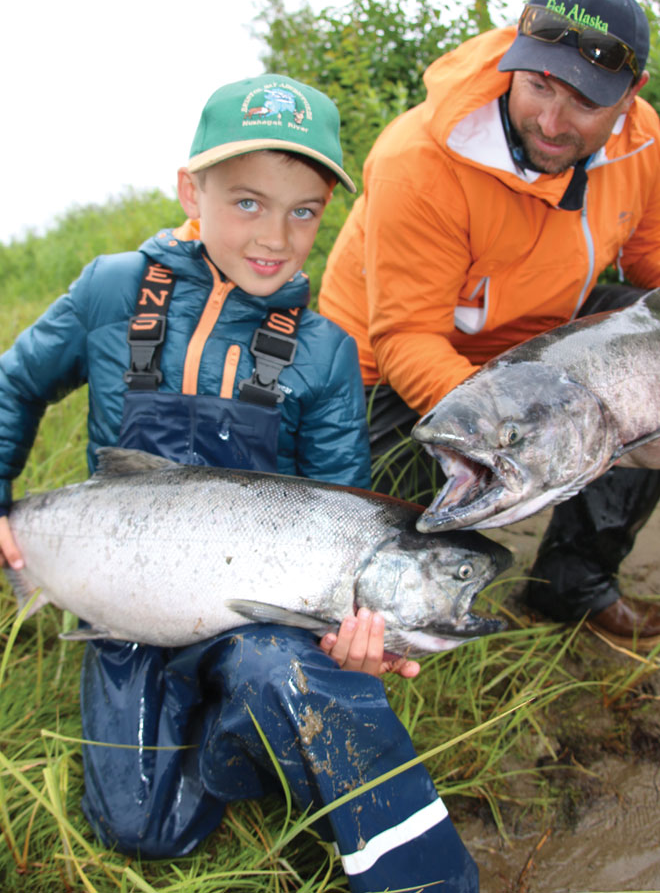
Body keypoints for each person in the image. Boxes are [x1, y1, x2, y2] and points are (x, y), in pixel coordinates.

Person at [0, 74, 478, 892]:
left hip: (257, 618)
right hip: (124, 601)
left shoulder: (324, 351)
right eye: (247, 202)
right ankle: (225, 735)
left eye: (303, 211)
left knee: (289, 677)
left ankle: (426, 878)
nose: (276, 236)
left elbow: (343, 504)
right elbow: (15, 385)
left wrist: (355, 644)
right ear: (191, 189)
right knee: (147, 832)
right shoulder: (111, 290)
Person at [319, 0, 660, 652]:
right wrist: (539, 429)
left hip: (536, 345)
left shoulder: (641, 142)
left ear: (629, 98)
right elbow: (407, 337)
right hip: (382, 366)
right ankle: (398, 620)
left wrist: (621, 419)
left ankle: (574, 585)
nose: (552, 121)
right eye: (538, 86)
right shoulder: (420, 160)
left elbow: (651, 266)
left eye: (585, 103)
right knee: (392, 506)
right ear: (514, 57)